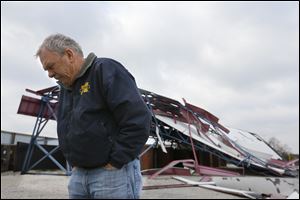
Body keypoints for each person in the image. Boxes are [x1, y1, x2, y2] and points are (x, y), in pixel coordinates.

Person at [35, 33, 151, 199]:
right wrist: (73, 162)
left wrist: (116, 161)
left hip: (111, 174)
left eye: (51, 66)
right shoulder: (66, 88)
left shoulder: (104, 70)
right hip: (78, 174)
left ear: (69, 55)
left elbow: (138, 119)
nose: (50, 74)